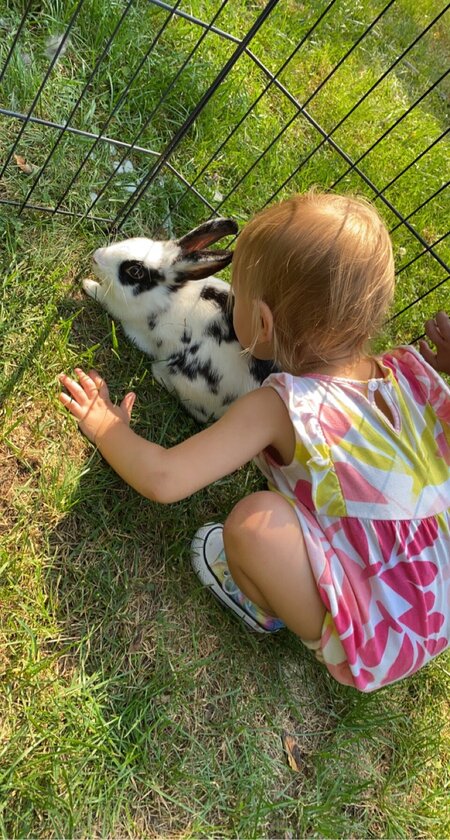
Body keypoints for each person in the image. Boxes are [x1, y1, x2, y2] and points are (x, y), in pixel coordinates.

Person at [59, 192, 450, 692]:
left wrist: (105, 424)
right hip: (435, 593)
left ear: (261, 323)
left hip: (383, 638)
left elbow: (164, 477)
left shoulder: (277, 406)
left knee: (254, 526)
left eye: (234, 295)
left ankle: (262, 601)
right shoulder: (408, 375)